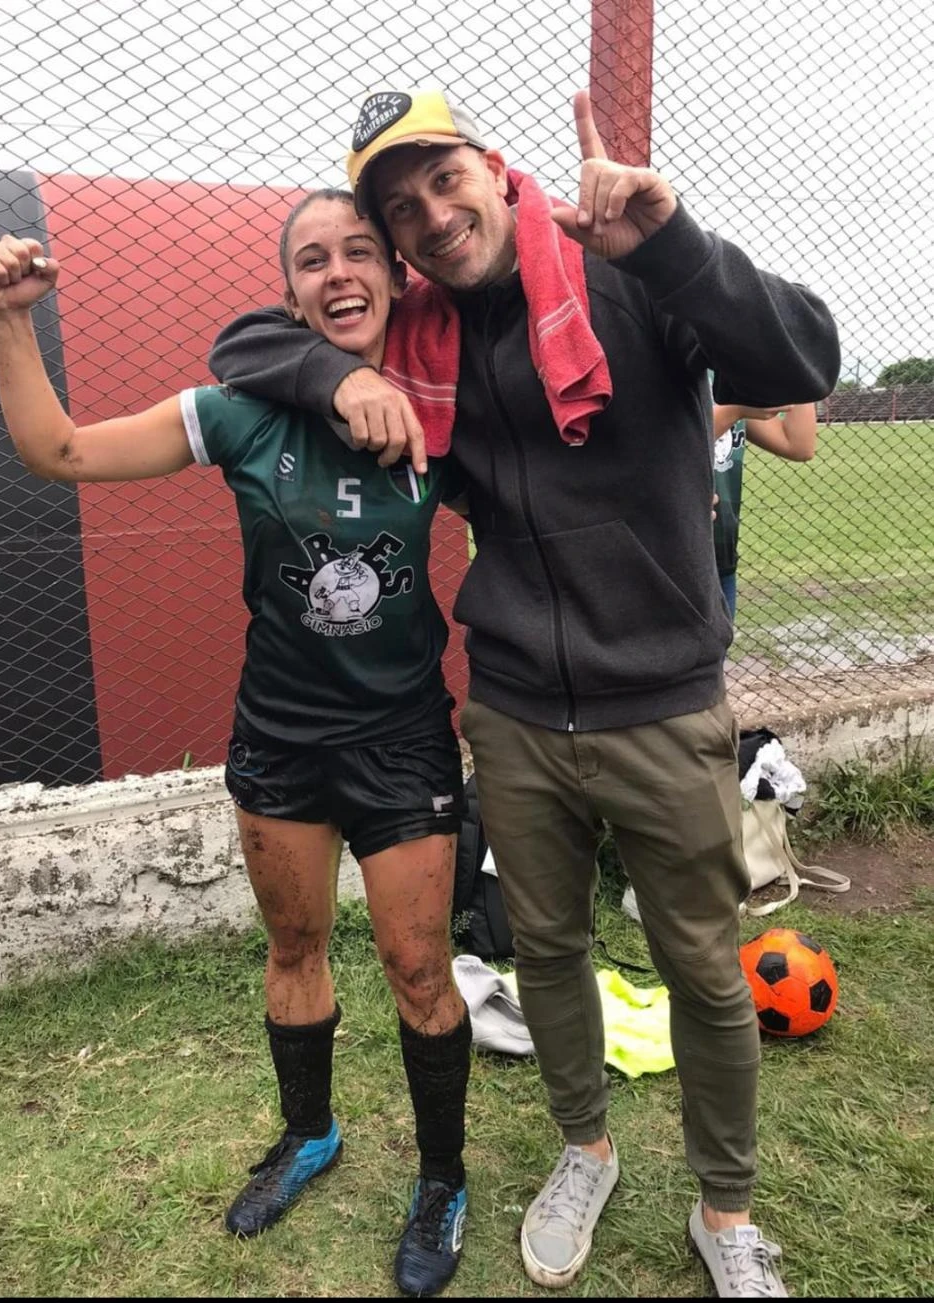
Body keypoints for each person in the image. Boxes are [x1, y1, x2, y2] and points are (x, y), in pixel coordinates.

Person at [209, 86, 841, 1298]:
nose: (433, 216)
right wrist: (332, 379)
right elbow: (244, 347)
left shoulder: (626, 271)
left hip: (659, 700)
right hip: (510, 709)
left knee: (705, 971)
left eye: (443, 181)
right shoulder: (421, 336)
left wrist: (671, 244)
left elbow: (799, 360)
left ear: (495, 171)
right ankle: (583, 1149)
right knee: (546, 952)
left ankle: (726, 1211)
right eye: (402, 210)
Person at [0, 192, 474, 1299]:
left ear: (397, 276)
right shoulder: (238, 409)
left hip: (402, 741)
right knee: (294, 950)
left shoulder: (444, 400)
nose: (337, 274)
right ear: (288, 290)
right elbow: (56, 451)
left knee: (418, 968)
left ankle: (442, 1176)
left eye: (358, 253)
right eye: (311, 261)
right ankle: (308, 1134)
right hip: (282, 742)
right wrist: (9, 320)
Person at [712, 401, 818, 620]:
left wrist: (803, 371)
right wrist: (735, 410)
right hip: (658, 560)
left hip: (719, 558)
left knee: (715, 653)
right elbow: (644, 439)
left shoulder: (725, 376)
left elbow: (798, 444)